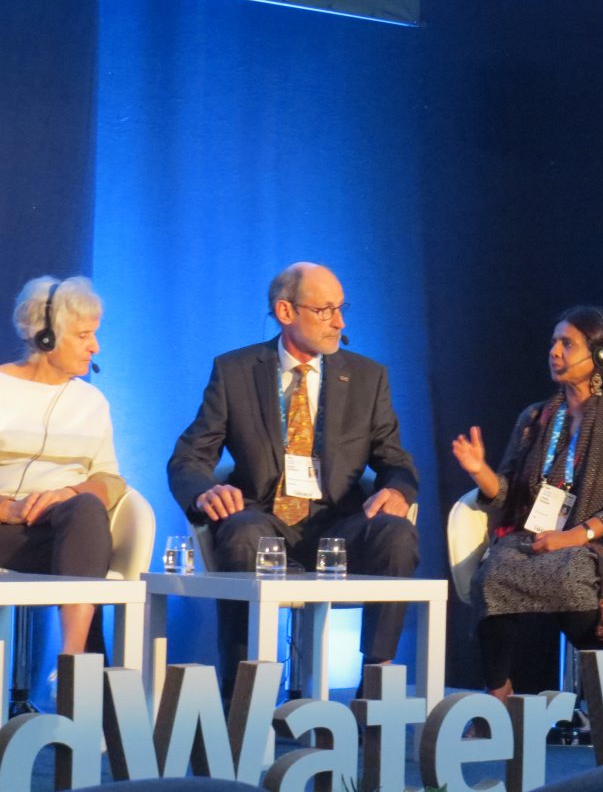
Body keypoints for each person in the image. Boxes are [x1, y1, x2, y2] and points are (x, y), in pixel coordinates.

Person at [167, 262, 419, 694]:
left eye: (342, 309)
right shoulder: (235, 371)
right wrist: (207, 491)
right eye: (325, 311)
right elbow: (188, 458)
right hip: (265, 520)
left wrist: (397, 490)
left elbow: (394, 460)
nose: (339, 322)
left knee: (396, 535)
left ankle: (377, 682)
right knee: (242, 531)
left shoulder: (367, 377)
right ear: (286, 312)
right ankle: (245, 686)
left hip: (338, 524)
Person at [451, 306, 603, 701]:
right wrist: (479, 471)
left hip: (597, 539)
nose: (554, 351)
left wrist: (572, 537)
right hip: (534, 533)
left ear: (600, 355)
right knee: (495, 569)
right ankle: (498, 694)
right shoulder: (536, 417)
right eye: (553, 342)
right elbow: (508, 493)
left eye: (567, 343)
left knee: (571, 576)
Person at [0, 276, 126, 654]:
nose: (95, 347)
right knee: (83, 549)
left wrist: (70, 493)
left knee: (87, 508)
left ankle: (72, 666)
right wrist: (7, 508)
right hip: (4, 532)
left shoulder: (92, 402)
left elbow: (111, 479)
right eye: (84, 335)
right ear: (46, 336)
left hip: (60, 536)